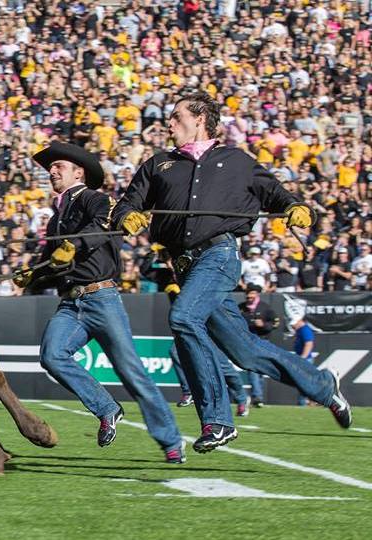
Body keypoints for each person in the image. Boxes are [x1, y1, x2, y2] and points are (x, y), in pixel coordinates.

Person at [114, 91, 352, 454]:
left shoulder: (236, 160)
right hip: (184, 266)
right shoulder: (158, 164)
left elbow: (276, 194)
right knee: (244, 351)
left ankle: (218, 419)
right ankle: (322, 384)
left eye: (177, 117)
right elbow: (129, 203)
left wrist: (296, 209)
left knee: (184, 318)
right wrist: (127, 217)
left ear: (200, 120)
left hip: (219, 255)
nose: (170, 123)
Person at [16, 142, 185, 464]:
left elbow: (103, 228)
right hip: (71, 303)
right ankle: (106, 407)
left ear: (78, 172)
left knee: (132, 372)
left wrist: (72, 245)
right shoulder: (55, 220)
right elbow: (51, 267)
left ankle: (171, 441)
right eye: (50, 168)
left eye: (58, 167)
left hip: (101, 297)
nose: (51, 171)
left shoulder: (97, 200)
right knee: (52, 355)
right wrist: (33, 276)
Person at [139, 245, 249, 416]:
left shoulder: (192, 274)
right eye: (165, 260)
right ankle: (188, 391)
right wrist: (152, 253)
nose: (169, 264)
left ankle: (241, 398)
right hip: (187, 325)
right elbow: (145, 271)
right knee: (176, 352)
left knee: (222, 364)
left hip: (204, 322)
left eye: (170, 259)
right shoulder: (167, 277)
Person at [239, 285, 279, 407]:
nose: (249, 296)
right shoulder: (241, 308)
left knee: (260, 370)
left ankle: (258, 396)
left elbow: (275, 323)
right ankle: (257, 396)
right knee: (252, 369)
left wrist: (264, 325)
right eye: (248, 294)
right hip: (248, 342)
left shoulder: (265, 307)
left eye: (252, 294)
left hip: (262, 341)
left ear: (257, 294)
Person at [290, 315, 317, 406]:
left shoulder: (305, 330)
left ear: (299, 321)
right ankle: (306, 402)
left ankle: (304, 402)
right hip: (302, 359)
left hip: (305, 360)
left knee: (303, 383)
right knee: (302, 383)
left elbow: (309, 344)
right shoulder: (299, 330)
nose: (293, 326)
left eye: (294, 324)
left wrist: (303, 357)